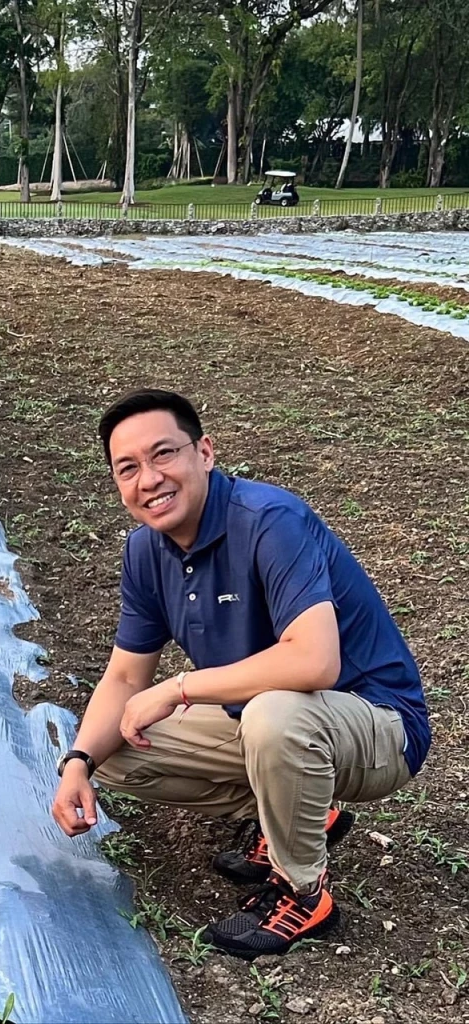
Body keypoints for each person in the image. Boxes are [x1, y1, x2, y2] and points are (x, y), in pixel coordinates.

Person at [50, 388, 430, 959]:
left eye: (163, 454)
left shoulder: (269, 520)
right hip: (270, 722)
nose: (149, 479)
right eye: (128, 468)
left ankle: (303, 892)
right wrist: (78, 762)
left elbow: (314, 661)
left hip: (376, 724)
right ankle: (301, 813)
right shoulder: (146, 552)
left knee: (275, 715)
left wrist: (178, 687)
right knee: (117, 746)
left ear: (205, 452)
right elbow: (125, 677)